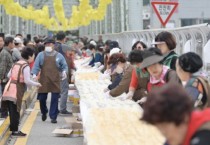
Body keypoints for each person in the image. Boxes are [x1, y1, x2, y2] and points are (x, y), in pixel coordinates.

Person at [142, 83, 210, 145]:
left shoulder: (204, 135)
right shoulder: (177, 133)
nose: (163, 133)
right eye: (159, 128)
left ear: (184, 117)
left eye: (165, 127)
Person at [2, 47, 41, 137]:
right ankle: (15, 131)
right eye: (33, 56)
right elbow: (27, 81)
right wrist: (36, 84)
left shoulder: (16, 63)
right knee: (16, 110)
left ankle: (14, 129)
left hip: (9, 88)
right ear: (29, 56)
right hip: (16, 89)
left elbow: (9, 75)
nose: (33, 58)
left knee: (11, 110)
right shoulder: (25, 66)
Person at [32, 38, 68, 123]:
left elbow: (64, 66)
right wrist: (34, 73)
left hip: (55, 80)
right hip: (44, 80)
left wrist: (64, 72)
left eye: (50, 44)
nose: (48, 46)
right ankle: (44, 111)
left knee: (55, 98)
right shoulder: (41, 55)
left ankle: (53, 116)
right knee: (42, 98)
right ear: (44, 45)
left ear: (54, 45)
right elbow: (36, 66)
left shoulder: (59, 55)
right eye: (46, 44)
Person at [54, 31, 71, 115]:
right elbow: (74, 50)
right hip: (61, 70)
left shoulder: (52, 46)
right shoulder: (63, 46)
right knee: (64, 90)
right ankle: (63, 109)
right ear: (64, 38)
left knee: (55, 90)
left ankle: (54, 109)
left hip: (52, 71)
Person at [0, 36, 14, 118]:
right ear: (9, 43)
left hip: (7, 79)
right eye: (13, 43)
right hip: (5, 79)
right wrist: (1, 78)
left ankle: (4, 112)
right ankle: (3, 113)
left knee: (6, 96)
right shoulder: (5, 53)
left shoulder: (7, 52)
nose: (13, 45)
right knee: (5, 97)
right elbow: (2, 67)